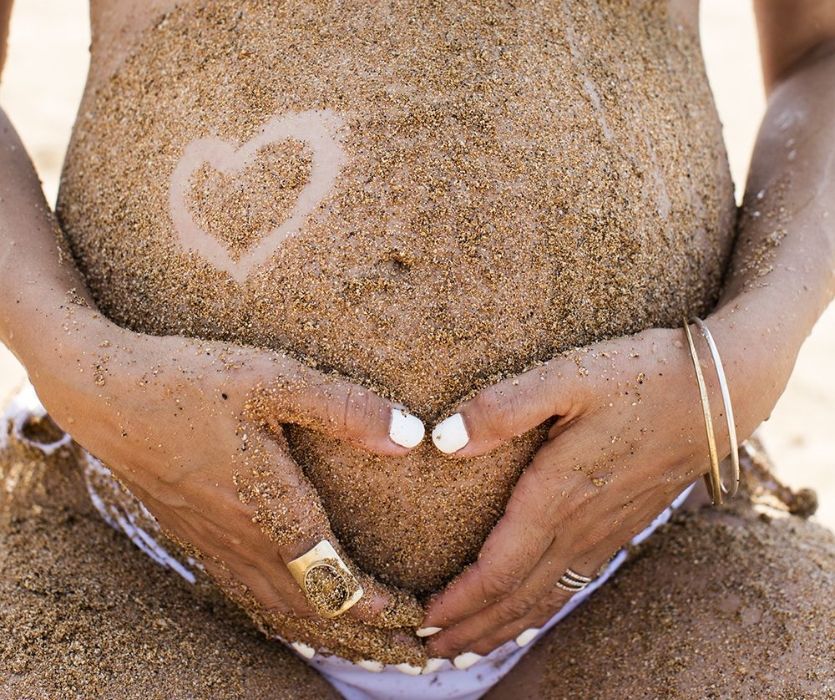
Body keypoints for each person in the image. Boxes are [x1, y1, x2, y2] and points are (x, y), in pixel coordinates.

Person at [0, 1, 833, 698]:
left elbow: (821, 49)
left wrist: (741, 359)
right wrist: (74, 361)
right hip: (135, 547)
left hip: (660, 552)